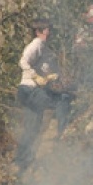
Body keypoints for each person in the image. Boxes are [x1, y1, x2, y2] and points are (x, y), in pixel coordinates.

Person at [15, 18, 73, 170]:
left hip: (27, 91)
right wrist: (35, 76)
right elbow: (23, 61)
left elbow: (46, 68)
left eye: (49, 29)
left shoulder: (44, 47)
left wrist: (52, 76)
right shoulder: (37, 44)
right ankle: (63, 133)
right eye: (47, 29)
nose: (50, 32)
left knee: (32, 127)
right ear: (38, 31)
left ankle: (21, 161)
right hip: (30, 90)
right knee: (62, 99)